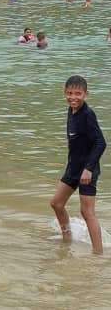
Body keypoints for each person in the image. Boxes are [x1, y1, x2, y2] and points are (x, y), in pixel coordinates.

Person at [49, 75, 105, 254]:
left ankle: (98, 253)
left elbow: (101, 143)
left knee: (87, 212)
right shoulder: (70, 110)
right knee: (57, 203)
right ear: (64, 92)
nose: (73, 97)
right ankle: (67, 237)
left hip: (87, 170)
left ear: (86, 94)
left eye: (78, 94)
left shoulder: (88, 114)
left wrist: (89, 169)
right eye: (69, 93)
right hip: (73, 168)